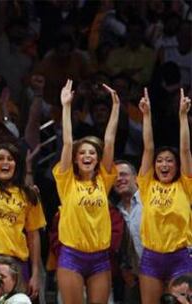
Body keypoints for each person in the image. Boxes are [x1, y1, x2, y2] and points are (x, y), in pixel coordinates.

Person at [0, 82, 46, 299]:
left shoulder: (28, 194)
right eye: (0, 159)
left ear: (17, 165)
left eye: (10, 159)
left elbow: (33, 237)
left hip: (16, 263)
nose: (5, 162)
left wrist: (35, 274)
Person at [53, 79, 120, 303]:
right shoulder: (66, 180)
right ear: (75, 159)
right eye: (82, 153)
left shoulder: (104, 180)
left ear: (97, 158)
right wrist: (66, 107)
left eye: (92, 153)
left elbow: (109, 141)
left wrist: (116, 108)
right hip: (72, 255)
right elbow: (67, 142)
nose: (87, 156)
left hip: (100, 257)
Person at [137, 88, 192, 304]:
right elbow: (148, 148)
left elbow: (185, 150)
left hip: (180, 257)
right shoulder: (146, 184)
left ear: (177, 166)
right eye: (160, 161)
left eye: (170, 160)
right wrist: (146, 115)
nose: (164, 164)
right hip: (151, 257)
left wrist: (182, 116)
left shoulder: (185, 185)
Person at [113, 160, 143, 303]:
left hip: (165, 268)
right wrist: (124, 269)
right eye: (115, 177)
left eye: (124, 174)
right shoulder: (114, 211)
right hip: (132, 277)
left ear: (136, 177)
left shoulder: (151, 199)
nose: (119, 179)